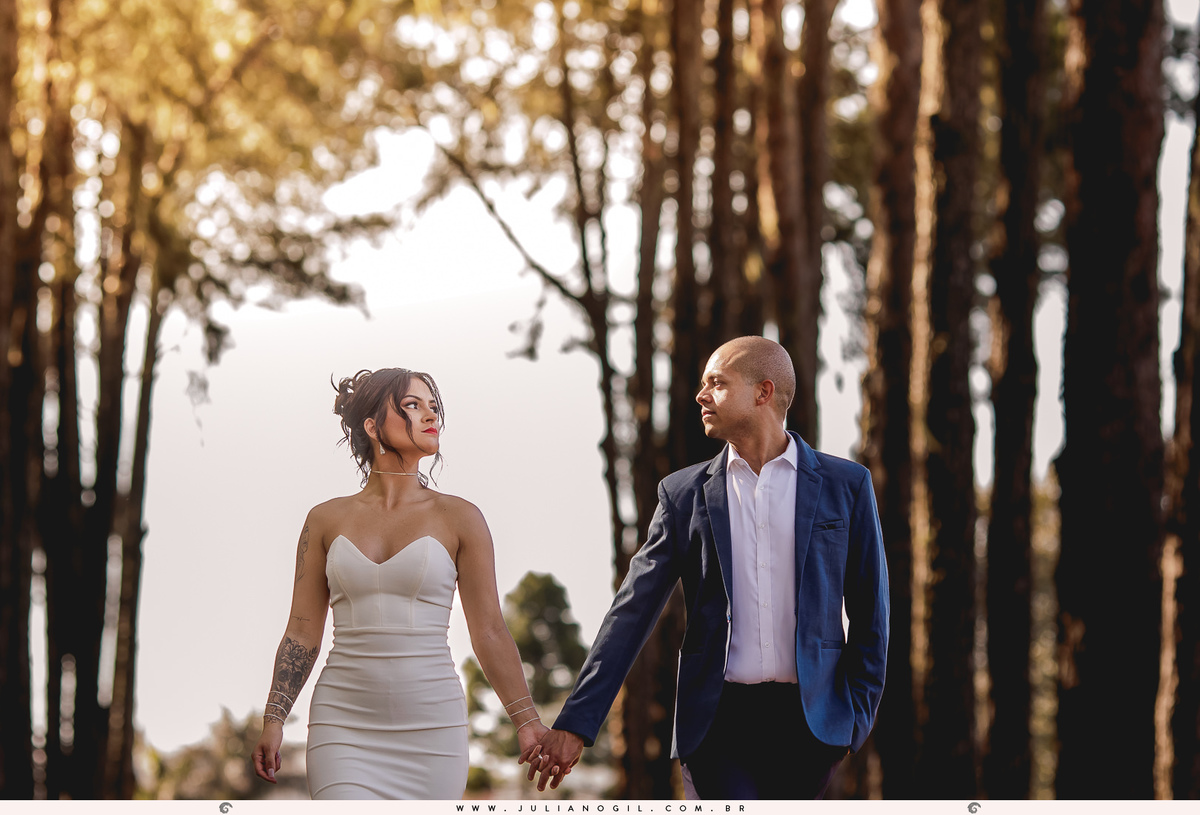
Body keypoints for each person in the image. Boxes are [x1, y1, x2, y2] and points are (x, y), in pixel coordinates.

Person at [524, 337, 890, 799]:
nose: (701, 395)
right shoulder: (683, 494)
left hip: (813, 725)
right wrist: (576, 722)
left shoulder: (847, 486)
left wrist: (854, 716)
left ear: (763, 392)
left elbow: (871, 613)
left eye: (717, 383)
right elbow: (632, 611)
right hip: (716, 725)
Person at [251, 367, 548, 799]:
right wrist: (274, 718)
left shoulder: (462, 518)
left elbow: (489, 631)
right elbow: (301, 630)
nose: (431, 416)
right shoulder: (324, 520)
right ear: (372, 426)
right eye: (412, 405)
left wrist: (527, 722)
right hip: (343, 725)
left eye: (433, 406)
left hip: (433, 729)